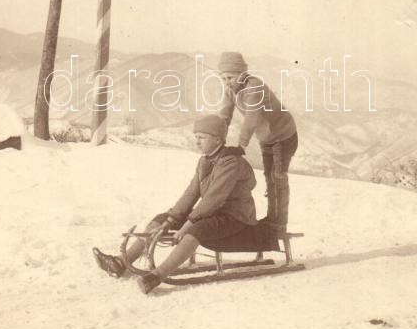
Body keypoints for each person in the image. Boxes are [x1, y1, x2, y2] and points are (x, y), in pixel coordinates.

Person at [92, 114, 258, 294]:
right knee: (161, 219)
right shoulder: (205, 161)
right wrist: (170, 220)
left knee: (197, 229)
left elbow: (213, 198)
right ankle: (121, 263)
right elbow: (191, 194)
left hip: (235, 216)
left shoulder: (231, 162)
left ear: (218, 139)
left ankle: (156, 276)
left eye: (202, 137)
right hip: (212, 213)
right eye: (196, 137)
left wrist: (187, 225)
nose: (197, 142)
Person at [217, 51, 298, 234]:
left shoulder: (254, 87)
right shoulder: (231, 90)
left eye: (230, 77)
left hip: (283, 136)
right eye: (223, 78)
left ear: (242, 73)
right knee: (269, 178)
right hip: (266, 138)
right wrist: (217, 138)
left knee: (278, 178)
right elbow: (224, 115)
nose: (226, 82)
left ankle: (280, 223)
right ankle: (272, 218)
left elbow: (251, 118)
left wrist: (241, 145)